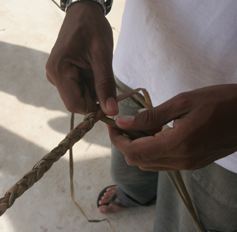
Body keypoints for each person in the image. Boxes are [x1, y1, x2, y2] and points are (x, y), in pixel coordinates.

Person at [46, 0, 237, 231]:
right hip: (139, 56)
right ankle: (136, 193)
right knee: (130, 164)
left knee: (189, 218)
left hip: (225, 125)